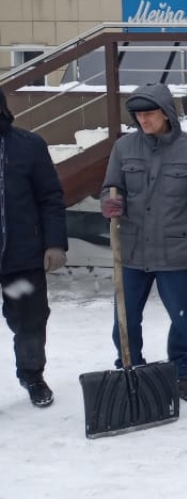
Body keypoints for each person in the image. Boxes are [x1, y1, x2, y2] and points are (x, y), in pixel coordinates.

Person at [99, 83, 187, 403]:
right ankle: (131, 368)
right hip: (131, 250)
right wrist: (109, 202)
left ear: (167, 113)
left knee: (181, 319)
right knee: (124, 319)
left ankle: (181, 373)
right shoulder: (124, 149)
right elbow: (111, 186)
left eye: (150, 114)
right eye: (139, 115)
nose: (144, 120)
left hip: (176, 251)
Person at [0, 88, 66, 408]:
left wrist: (54, 243)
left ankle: (32, 374)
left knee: (29, 318)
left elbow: (50, 198)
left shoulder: (29, 147)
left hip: (20, 257)